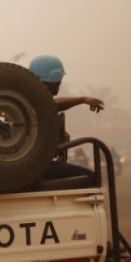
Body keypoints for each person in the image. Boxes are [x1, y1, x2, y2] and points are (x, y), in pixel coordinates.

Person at [28, 55, 104, 184]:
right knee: (91, 178)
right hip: (37, 167)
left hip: (32, 165)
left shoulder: (24, 100)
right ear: (55, 80)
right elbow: (53, 104)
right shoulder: (34, 102)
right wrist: (83, 99)